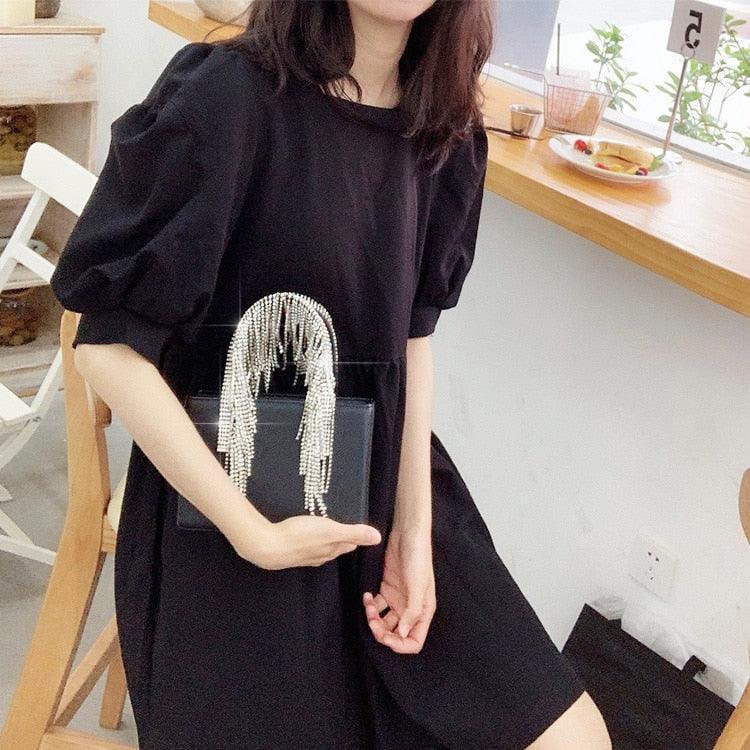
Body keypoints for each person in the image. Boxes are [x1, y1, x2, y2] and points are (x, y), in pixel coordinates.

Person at [49, 1, 612, 748]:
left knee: (571, 736)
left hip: (385, 482)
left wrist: (414, 532)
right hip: (230, 500)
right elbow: (108, 345)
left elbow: (413, 339)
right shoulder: (229, 98)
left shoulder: (444, 130)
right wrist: (252, 532)